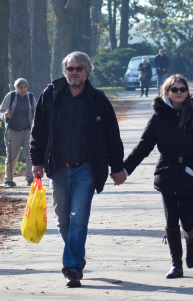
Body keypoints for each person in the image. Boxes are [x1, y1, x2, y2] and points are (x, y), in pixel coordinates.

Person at [29, 51, 126, 288]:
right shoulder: (51, 95)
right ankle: (77, 255)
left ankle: (71, 268)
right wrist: (37, 161)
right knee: (63, 221)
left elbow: (112, 136)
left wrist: (117, 167)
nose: (74, 73)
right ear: (65, 71)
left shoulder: (98, 100)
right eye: (70, 69)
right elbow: (38, 131)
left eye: (79, 69)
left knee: (78, 219)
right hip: (58, 170)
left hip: (86, 170)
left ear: (87, 71)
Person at [122, 74, 193, 279]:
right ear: (167, 92)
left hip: (189, 173)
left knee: (186, 216)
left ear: (187, 91)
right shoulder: (159, 117)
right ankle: (176, 264)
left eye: (183, 89)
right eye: (174, 90)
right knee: (172, 218)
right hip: (166, 172)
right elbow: (144, 146)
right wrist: (125, 169)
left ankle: (191, 241)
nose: (179, 92)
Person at [0, 78, 37, 187]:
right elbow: (0, 111)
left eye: (24, 87)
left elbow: (37, 113)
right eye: (20, 87)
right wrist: (5, 115)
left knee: (30, 155)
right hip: (13, 130)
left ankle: (30, 178)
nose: (23, 89)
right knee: (12, 156)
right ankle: (8, 180)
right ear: (16, 88)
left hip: (28, 130)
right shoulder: (10, 97)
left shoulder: (30, 97)